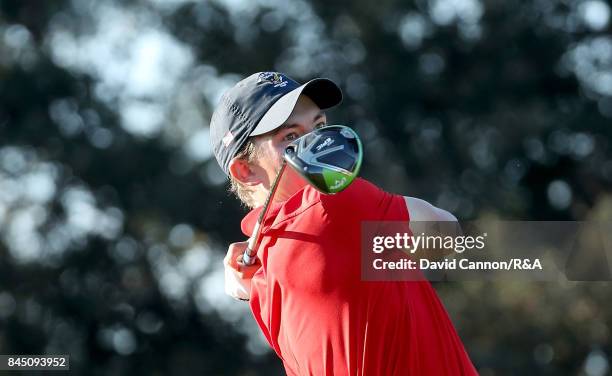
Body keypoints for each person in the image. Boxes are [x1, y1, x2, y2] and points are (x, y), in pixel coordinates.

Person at [210, 71, 478, 375]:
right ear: (245, 171)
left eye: (319, 126)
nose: (319, 142)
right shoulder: (332, 204)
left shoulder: (262, 273)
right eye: (291, 137)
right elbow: (449, 234)